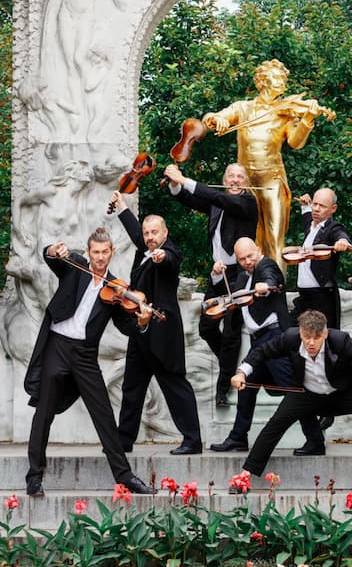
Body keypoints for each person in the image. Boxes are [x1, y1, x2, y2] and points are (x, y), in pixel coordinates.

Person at [231, 310, 352, 494]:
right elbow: (261, 352)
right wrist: (242, 373)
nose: (311, 343)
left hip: (346, 391)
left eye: (316, 337)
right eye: (307, 337)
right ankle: (246, 476)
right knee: (275, 424)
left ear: (325, 333)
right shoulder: (289, 338)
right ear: (301, 333)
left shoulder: (341, 341)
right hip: (308, 393)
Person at [24, 228, 155, 496]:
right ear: (88, 251)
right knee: (44, 413)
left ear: (111, 252)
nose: (99, 257)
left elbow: (126, 326)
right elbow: (51, 258)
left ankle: (125, 476)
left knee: (104, 415)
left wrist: (142, 322)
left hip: (85, 354)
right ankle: (34, 477)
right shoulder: (75, 267)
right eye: (95, 252)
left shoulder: (117, 288)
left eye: (104, 252)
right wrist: (52, 250)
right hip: (57, 346)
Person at [203, 59, 335, 266]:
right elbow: (214, 118)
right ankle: (250, 287)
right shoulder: (243, 108)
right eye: (278, 78)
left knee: (274, 237)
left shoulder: (285, 113)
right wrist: (215, 118)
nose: (283, 84)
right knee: (249, 237)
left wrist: (307, 119)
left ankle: (276, 289)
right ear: (263, 81)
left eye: (284, 80)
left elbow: (295, 142)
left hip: (271, 179)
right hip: (245, 184)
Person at [210, 238, 323, 454]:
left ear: (258, 249)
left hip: (275, 338)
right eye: (242, 259)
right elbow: (230, 294)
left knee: (293, 389)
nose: (247, 261)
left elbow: (272, 279)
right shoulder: (243, 275)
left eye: (250, 256)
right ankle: (238, 438)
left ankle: (315, 440)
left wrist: (265, 286)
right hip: (258, 341)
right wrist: (216, 273)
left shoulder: (267, 265)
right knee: (247, 384)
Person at [111, 191, 202, 455]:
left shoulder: (169, 252)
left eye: (155, 233)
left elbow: (169, 260)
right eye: (147, 233)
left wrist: (162, 256)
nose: (150, 237)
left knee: (175, 387)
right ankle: (123, 441)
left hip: (163, 334)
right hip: (141, 333)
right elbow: (136, 236)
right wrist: (122, 208)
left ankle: (193, 441)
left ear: (165, 232)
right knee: (131, 388)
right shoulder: (144, 249)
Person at [164, 162, 258, 406]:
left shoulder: (247, 202)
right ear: (225, 180)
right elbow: (190, 199)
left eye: (240, 176)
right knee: (206, 327)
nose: (236, 180)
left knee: (231, 332)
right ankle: (230, 363)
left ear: (245, 181)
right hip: (219, 273)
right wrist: (175, 184)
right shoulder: (218, 202)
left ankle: (223, 388)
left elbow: (213, 195)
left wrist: (184, 178)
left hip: (240, 274)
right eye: (231, 176)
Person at [291, 188, 352, 329]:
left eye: (322, 206)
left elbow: (340, 234)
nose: (316, 209)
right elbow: (307, 218)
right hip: (304, 297)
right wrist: (305, 205)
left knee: (323, 338)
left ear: (333, 209)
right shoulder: (312, 226)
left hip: (321, 297)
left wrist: (343, 241)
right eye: (315, 204)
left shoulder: (332, 228)